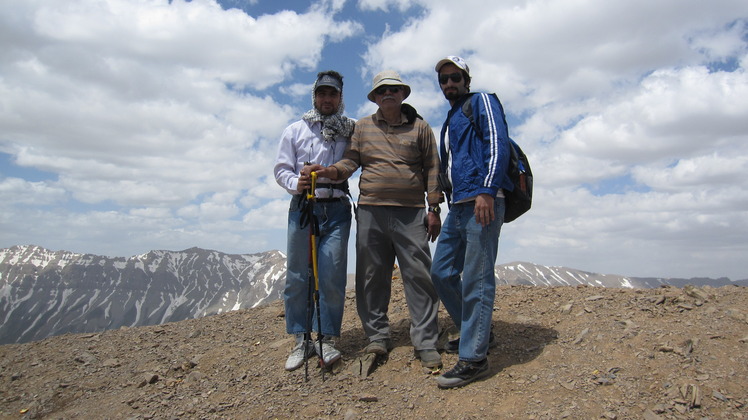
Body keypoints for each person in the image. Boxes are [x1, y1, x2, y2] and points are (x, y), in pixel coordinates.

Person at [306, 70, 443, 370]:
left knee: (419, 276)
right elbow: (351, 161)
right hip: (370, 211)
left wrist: (434, 209)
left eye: (393, 89)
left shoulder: (421, 128)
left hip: (411, 212)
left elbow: (433, 168)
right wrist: (329, 171)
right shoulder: (363, 127)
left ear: (403, 94)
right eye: (382, 91)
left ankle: (426, 341)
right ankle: (377, 336)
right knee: (371, 277)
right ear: (375, 97)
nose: (388, 94)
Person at [431, 56, 514, 388]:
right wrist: (438, 206)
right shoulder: (451, 118)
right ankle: (478, 333)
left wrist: (488, 190)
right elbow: (447, 166)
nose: (449, 84)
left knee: (477, 278)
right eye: (444, 80)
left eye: (455, 78)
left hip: (484, 202)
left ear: (466, 78)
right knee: (441, 272)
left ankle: (474, 359)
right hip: (459, 206)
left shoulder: (482, 101)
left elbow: (498, 144)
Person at [273, 70, 355, 372]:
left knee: (331, 273)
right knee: (298, 275)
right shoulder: (295, 130)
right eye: (322, 93)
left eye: (332, 94)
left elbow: (355, 162)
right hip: (303, 206)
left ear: (340, 97)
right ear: (315, 96)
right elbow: (281, 169)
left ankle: (327, 337)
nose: (327, 99)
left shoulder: (351, 130)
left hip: (336, 208)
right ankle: (301, 338)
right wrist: (298, 183)